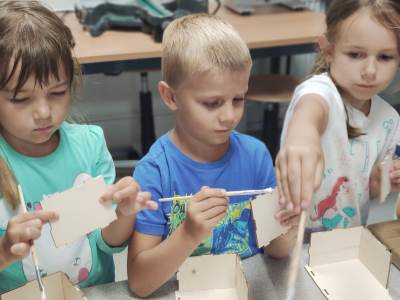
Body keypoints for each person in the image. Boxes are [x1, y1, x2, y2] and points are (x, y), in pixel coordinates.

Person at [127, 14, 298, 297]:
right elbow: (140, 284)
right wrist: (189, 234)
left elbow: (277, 252)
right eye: (212, 103)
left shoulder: (255, 155)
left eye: (238, 99)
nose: (229, 116)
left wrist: (288, 225)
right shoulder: (155, 172)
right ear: (170, 97)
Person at [0, 0, 157, 293]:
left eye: (57, 92)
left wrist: (124, 213)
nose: (44, 112)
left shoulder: (89, 145)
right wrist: (5, 251)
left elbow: (107, 242)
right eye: (21, 99)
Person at [275, 0, 400, 234]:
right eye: (355, 54)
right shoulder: (321, 91)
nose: (370, 71)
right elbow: (310, 110)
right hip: (291, 239)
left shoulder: (389, 120)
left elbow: (365, 191)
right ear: (328, 50)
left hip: (345, 245)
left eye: (385, 57)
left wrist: (379, 182)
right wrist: (303, 134)